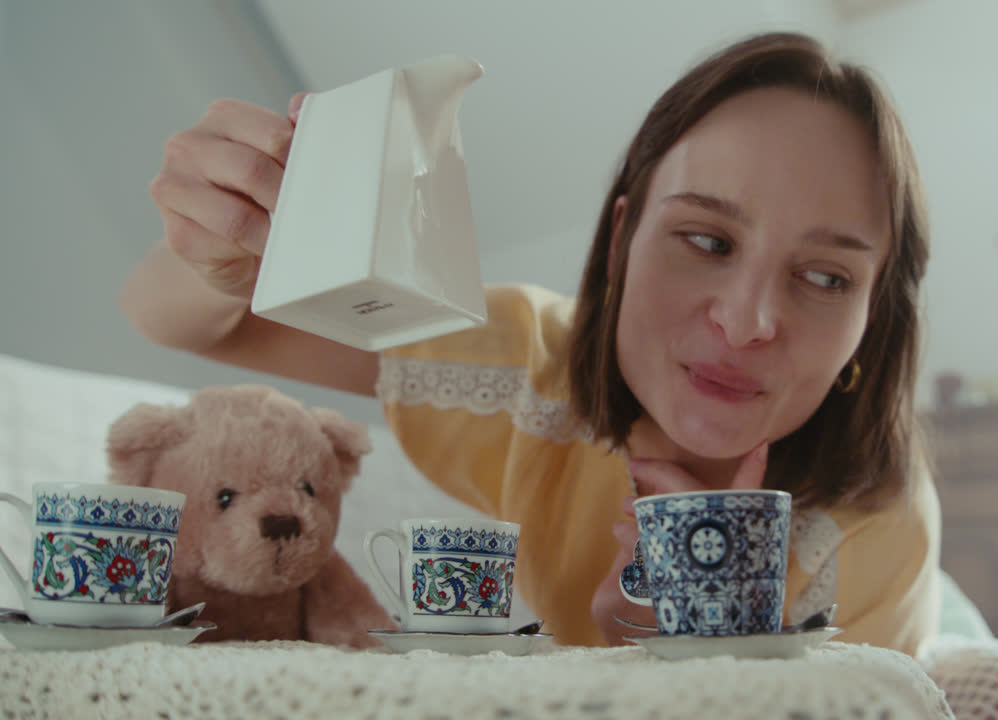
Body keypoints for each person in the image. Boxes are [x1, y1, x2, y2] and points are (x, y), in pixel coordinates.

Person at [121, 31, 940, 653]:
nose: (748, 320)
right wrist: (220, 242)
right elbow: (182, 320)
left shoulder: (874, 529)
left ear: (873, 316)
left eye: (827, 279)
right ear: (621, 243)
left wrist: (680, 662)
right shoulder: (523, 369)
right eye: (708, 242)